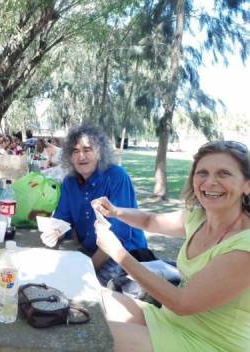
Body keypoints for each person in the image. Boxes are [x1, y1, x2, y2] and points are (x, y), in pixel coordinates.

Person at [92, 140, 250, 352]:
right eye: (202, 173)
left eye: (224, 173)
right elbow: (150, 221)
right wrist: (115, 211)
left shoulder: (245, 245)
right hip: (168, 319)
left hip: (210, 342)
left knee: (90, 335)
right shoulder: (198, 218)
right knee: (87, 301)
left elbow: (182, 302)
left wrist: (118, 254)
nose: (210, 182)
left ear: (247, 184)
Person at [46, 123, 148, 285]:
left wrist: (87, 269)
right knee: (55, 276)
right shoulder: (69, 182)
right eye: (75, 151)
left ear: (100, 152)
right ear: (69, 156)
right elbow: (62, 220)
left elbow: (118, 236)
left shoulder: (116, 177)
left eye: (87, 150)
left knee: (83, 288)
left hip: (124, 256)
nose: (81, 157)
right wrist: (55, 232)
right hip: (90, 250)